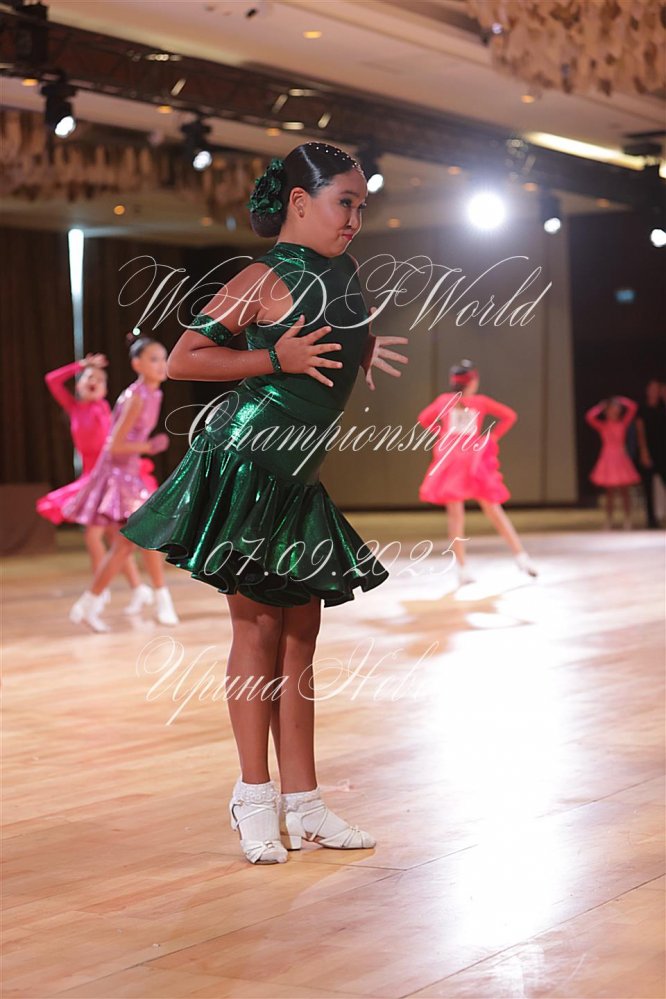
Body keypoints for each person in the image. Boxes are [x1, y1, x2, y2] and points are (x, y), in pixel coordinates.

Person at [119, 142, 408, 864]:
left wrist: (362, 349)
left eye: (362, 206)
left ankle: (304, 804)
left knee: (302, 634)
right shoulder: (263, 275)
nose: (355, 218)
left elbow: (331, 332)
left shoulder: (343, 272)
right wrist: (275, 358)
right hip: (245, 461)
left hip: (296, 475)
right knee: (258, 632)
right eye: (344, 203)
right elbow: (185, 357)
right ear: (300, 203)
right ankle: (252, 797)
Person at [63, 334, 179, 631]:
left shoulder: (154, 393)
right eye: (154, 359)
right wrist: (149, 446)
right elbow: (114, 445)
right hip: (118, 476)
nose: (161, 365)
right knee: (131, 541)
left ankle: (97, 603)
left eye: (163, 358)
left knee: (134, 542)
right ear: (137, 364)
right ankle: (94, 603)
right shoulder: (136, 397)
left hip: (130, 472)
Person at [36, 354, 158, 614]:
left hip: (109, 477)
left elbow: (119, 439)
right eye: (89, 378)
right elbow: (51, 380)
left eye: (101, 380)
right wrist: (81, 365)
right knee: (110, 537)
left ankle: (103, 591)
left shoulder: (105, 408)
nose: (95, 382)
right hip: (90, 479)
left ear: (105, 390)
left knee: (99, 535)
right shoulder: (74, 407)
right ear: (79, 385)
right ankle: (135, 589)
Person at [417, 359, 537, 586]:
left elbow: (423, 419)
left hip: (451, 457)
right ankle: (521, 557)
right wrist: (493, 436)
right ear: (472, 382)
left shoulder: (445, 400)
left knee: (456, 516)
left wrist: (442, 433)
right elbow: (510, 416)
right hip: (472, 457)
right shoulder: (480, 402)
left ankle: (462, 568)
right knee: (493, 510)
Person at [585, 395, 640, 530]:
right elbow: (589, 417)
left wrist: (620, 399)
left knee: (625, 491)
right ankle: (609, 520)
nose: (614, 410)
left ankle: (627, 519)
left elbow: (633, 407)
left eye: (616, 408)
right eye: (611, 408)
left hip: (620, 457)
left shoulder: (622, 423)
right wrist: (601, 407)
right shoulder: (603, 425)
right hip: (608, 458)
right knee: (609, 493)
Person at [635, 379, 666, 529]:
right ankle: (651, 519)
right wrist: (644, 451)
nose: (654, 391)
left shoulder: (663, 407)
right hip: (649, 450)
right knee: (648, 487)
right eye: (652, 388)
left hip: (663, 451)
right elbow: (640, 431)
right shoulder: (642, 409)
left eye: (657, 389)